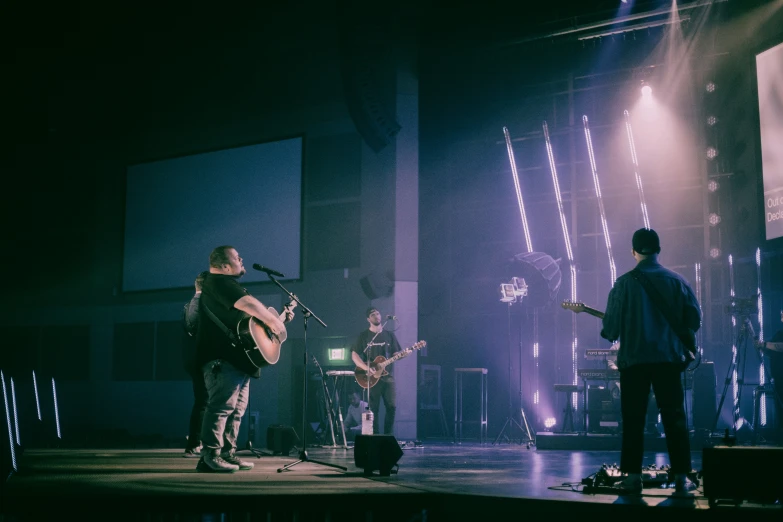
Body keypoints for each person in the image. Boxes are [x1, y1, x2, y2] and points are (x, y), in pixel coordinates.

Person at [600, 228, 701, 495]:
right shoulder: (678, 281)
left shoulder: (623, 284)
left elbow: (610, 330)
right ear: (659, 250)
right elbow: (694, 321)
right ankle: (681, 478)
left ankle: (633, 478)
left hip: (634, 361)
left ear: (633, 252)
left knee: (633, 418)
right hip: (668, 360)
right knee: (674, 418)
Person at [195, 245, 294, 473]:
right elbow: (249, 304)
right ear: (224, 266)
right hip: (221, 359)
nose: (242, 259)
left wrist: (279, 322)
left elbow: (250, 329)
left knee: (236, 410)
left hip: (237, 360)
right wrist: (274, 321)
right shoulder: (218, 282)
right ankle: (209, 456)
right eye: (236, 257)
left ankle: (228, 454)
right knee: (221, 407)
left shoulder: (228, 286)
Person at [351, 307, 401, 435]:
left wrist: (402, 354)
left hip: (387, 376)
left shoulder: (389, 335)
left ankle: (388, 435)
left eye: (378, 313)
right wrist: (366, 368)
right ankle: (376, 436)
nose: (377, 316)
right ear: (368, 319)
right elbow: (354, 355)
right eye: (373, 314)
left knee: (392, 406)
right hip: (371, 378)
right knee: (373, 409)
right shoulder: (364, 336)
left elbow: (396, 353)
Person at [182, 270, 211, 457]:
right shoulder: (197, 304)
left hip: (196, 360)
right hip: (201, 361)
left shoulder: (192, 304)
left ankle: (197, 442)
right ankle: (194, 443)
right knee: (203, 402)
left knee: (203, 402)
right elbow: (193, 327)